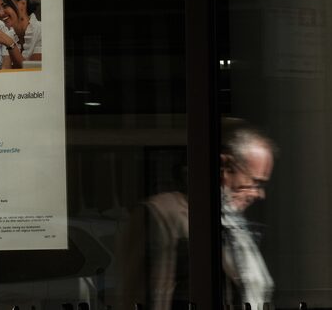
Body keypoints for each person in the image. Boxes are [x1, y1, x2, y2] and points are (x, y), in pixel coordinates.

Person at [118, 118, 275, 310]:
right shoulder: (163, 215)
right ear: (224, 166)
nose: (259, 194)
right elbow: (143, 298)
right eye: (255, 182)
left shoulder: (236, 226)